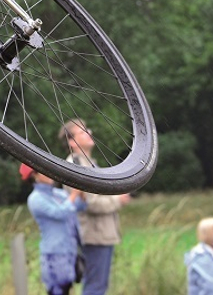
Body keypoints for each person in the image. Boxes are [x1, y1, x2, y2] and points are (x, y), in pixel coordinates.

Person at [58, 118, 130, 295]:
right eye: (82, 132)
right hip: (94, 234)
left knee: (99, 285)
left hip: (101, 233)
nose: (89, 133)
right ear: (71, 141)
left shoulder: (88, 163)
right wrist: (118, 200)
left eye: (88, 129)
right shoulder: (75, 165)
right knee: (95, 287)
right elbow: (90, 203)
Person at [21, 163, 86, 295]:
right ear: (35, 176)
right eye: (43, 171)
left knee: (67, 288)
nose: (49, 173)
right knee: (57, 291)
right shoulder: (35, 199)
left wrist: (82, 195)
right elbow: (60, 213)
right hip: (54, 255)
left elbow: (79, 206)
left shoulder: (58, 193)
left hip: (69, 251)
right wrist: (74, 195)